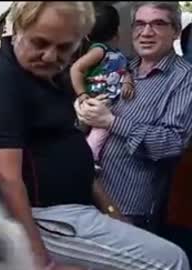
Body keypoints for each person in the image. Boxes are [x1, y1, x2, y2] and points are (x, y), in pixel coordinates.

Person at [0, 1, 192, 270]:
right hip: (24, 219)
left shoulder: (51, 78)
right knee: (173, 262)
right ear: (18, 30)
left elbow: (73, 149)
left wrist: (111, 211)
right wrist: (45, 266)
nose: (50, 56)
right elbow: (5, 180)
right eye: (40, 43)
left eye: (64, 48)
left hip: (70, 211)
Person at [76, 2, 192, 232]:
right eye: (140, 24)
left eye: (158, 24)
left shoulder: (184, 79)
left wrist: (112, 122)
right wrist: (83, 113)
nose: (146, 32)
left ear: (176, 31)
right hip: (85, 197)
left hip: (129, 209)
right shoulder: (121, 65)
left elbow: (171, 144)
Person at [70, 4, 134, 170]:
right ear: (117, 30)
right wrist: (82, 95)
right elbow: (76, 69)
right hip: (96, 101)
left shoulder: (116, 53)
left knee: (84, 131)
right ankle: (89, 159)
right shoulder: (99, 51)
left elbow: (123, 70)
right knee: (100, 130)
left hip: (106, 103)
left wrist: (127, 80)